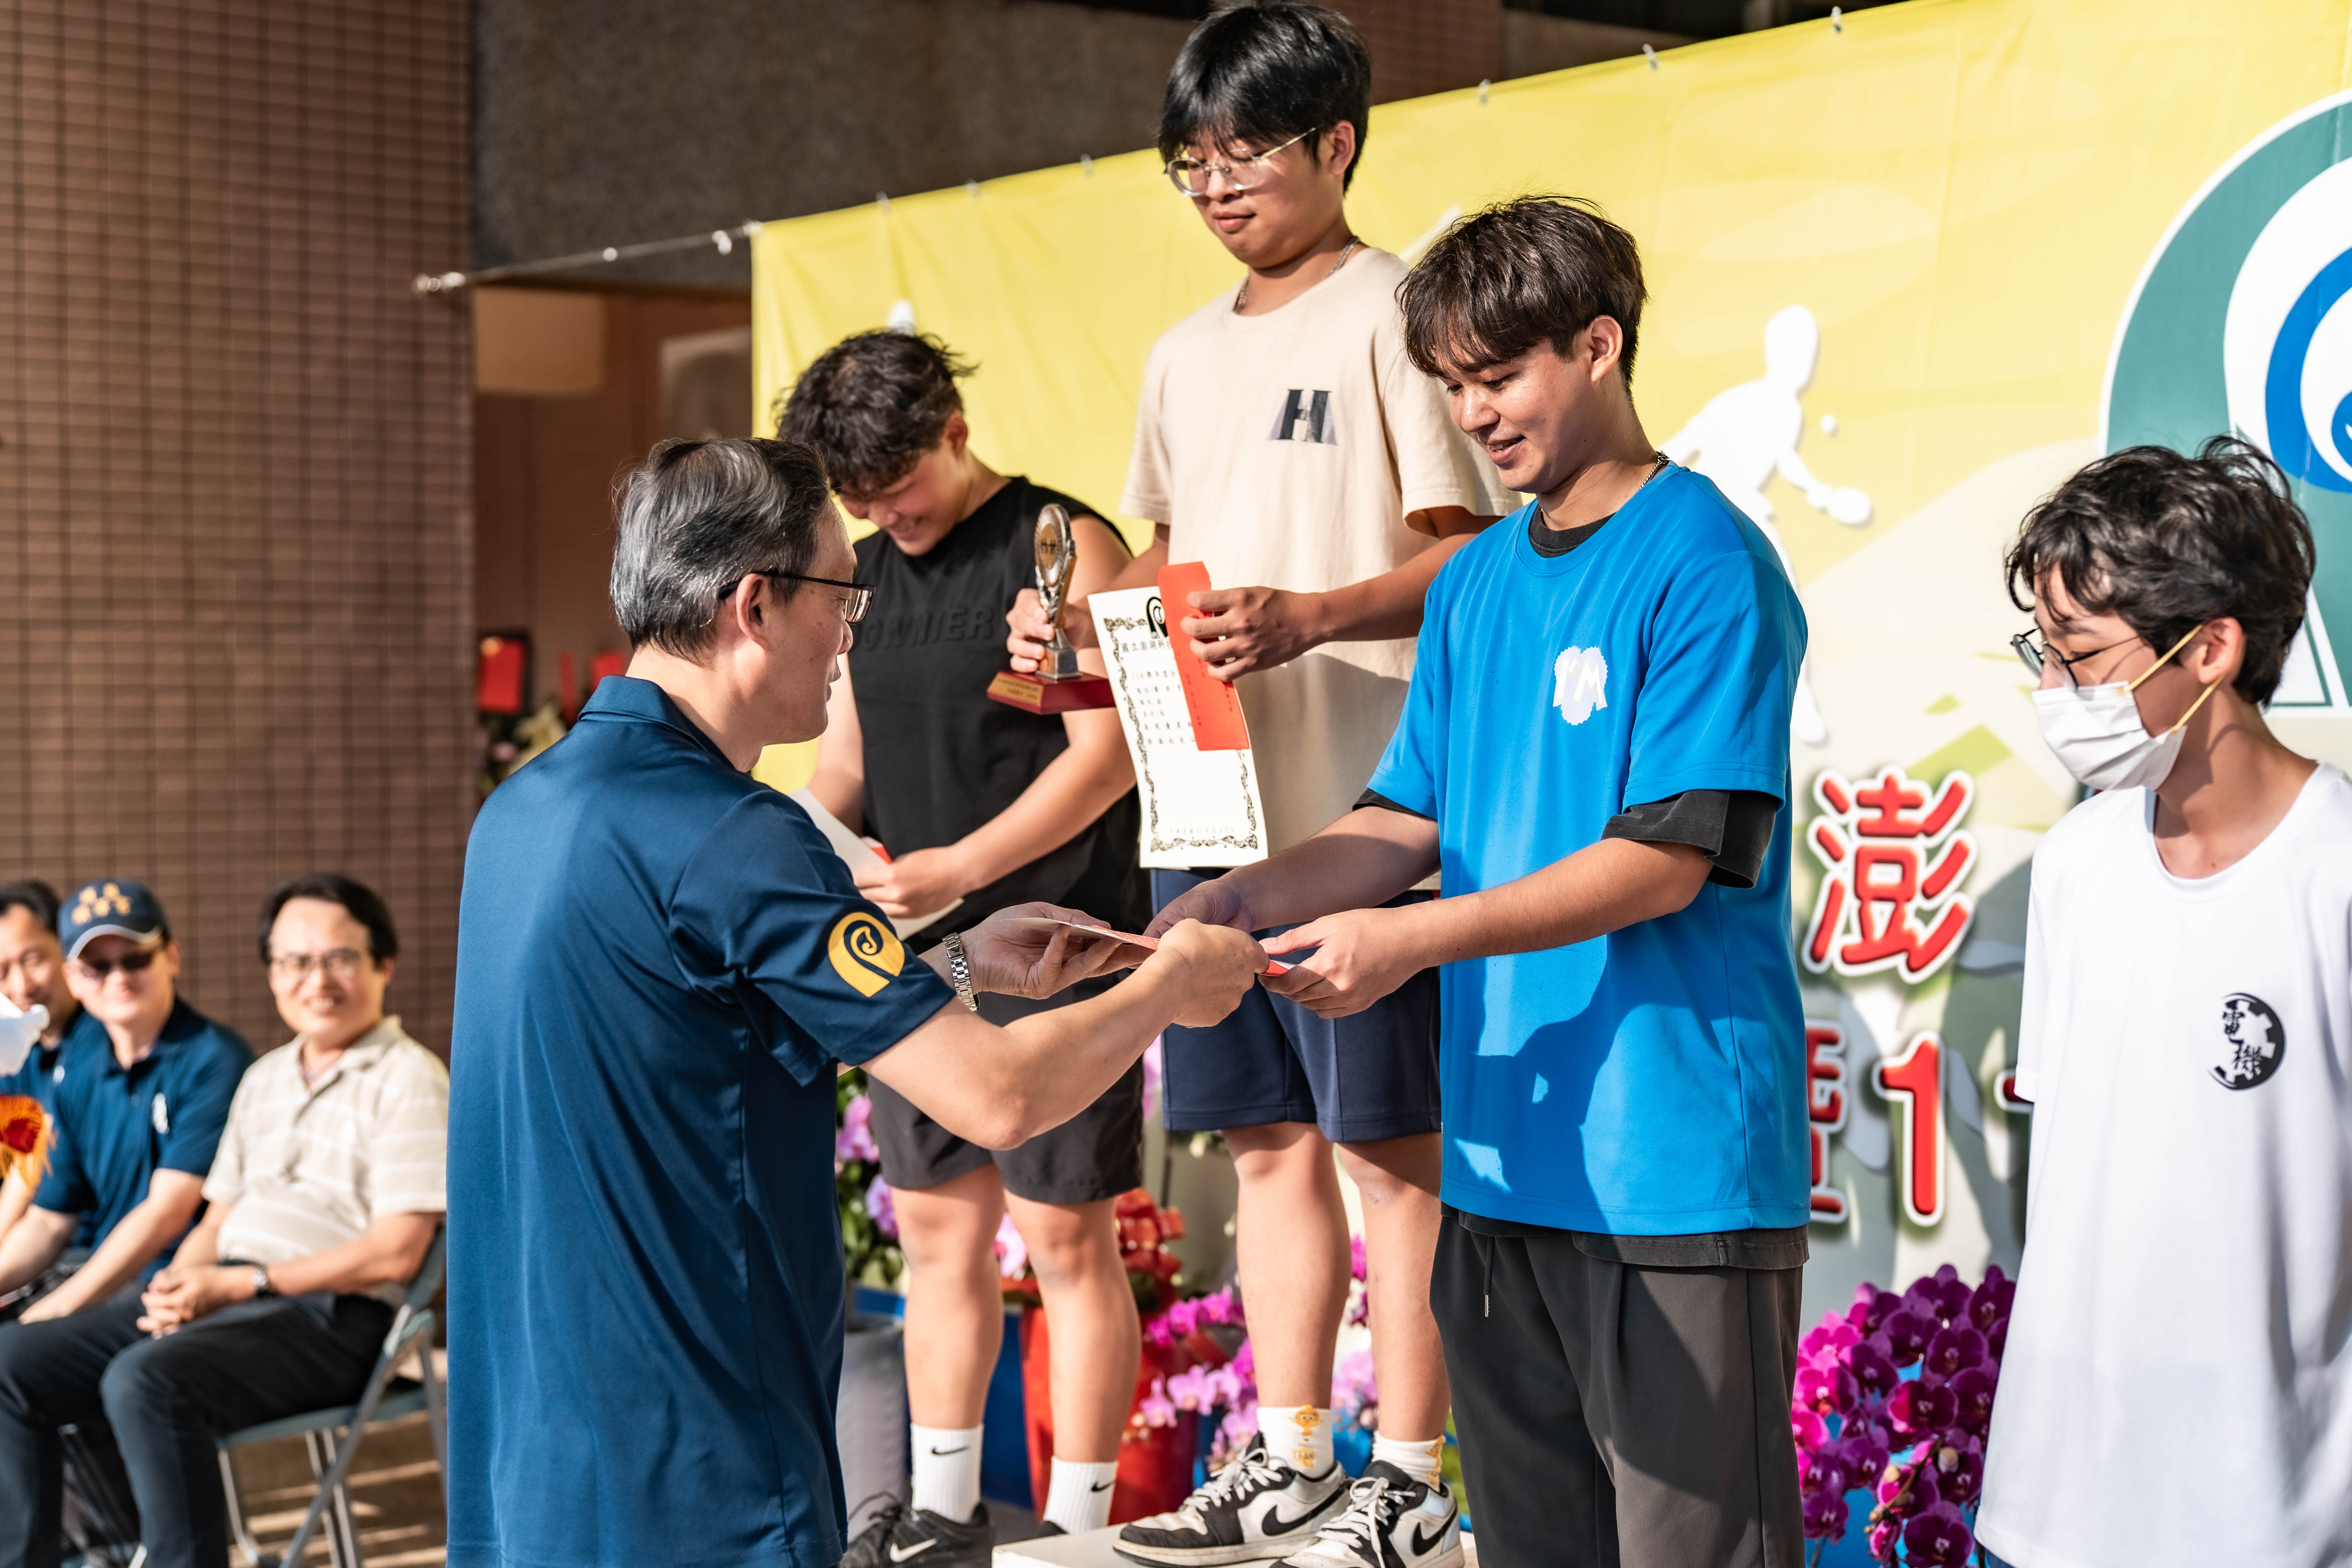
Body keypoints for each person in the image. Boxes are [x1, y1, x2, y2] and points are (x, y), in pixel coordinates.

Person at [445, 437, 1265, 1568]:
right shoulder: (737, 835)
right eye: (843, 594)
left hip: (533, 1467)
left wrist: (961, 964)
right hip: (704, 1468)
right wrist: (1171, 983)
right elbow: (999, 1095)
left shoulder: (520, 811)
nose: (852, 633)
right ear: (754, 605)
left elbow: (694, 1039)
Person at [1150, 196, 1812, 1568]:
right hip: (1499, 1158)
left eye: (1500, 375)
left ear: (1600, 345)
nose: (1475, 415)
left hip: (1669, 1172)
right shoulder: (1474, 582)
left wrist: (1406, 943)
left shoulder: (1704, 559)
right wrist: (1233, 901)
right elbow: (1402, 818)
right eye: (1454, 385)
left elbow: (1664, 860)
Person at [1002, 10, 1508, 1563]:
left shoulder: (1398, 312)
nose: (1217, 186)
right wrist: (1076, 626)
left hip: (1369, 812)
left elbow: (1471, 557)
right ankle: (1289, 1452)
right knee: (1264, 1141)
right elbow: (1166, 556)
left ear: (1336, 143)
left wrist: (1315, 615)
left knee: (1389, 1150)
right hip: (1209, 808)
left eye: (1246, 153)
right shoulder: (1179, 354)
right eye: (1192, 162)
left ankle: (1409, 1476)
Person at [782, 330, 1150, 1561]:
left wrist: (962, 867)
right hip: (920, 960)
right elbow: (845, 763)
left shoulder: (1060, 542)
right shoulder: (864, 577)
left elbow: (1109, 761)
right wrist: (787, 841)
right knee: (936, 1238)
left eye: (900, 488)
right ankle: (943, 1514)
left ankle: (1077, 1531)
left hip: (1057, 944)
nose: (887, 517)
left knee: (1064, 1236)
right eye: (862, 503)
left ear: (953, 427)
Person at [1976, 441, 2352, 1568]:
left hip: (2268, 1514)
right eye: (2043, 655)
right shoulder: (2076, 862)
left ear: (2212, 649)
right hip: (2050, 1502)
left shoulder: (2335, 869)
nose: (2055, 694)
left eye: (2082, 656)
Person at [0, 874, 444, 1568]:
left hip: (333, 1316)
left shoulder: (411, 1078)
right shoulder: (265, 1077)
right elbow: (215, 1220)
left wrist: (245, 1282)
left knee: (146, 1381)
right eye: (295, 961)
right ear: (271, 973)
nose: (316, 979)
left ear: (383, 964)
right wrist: (176, 1286)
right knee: (11, 1362)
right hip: (229, 1296)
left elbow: (396, 1253)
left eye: (339, 958)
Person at [0, 878, 253, 1568]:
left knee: (18, 1355)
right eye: (97, 964)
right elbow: (49, 1217)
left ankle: (104, 1548)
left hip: (181, 1285)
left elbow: (167, 1213)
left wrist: (59, 1307)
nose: (118, 977)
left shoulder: (214, 1059)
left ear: (172, 956)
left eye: (134, 957)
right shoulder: (80, 1066)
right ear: (77, 978)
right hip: (104, 1273)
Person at [0, 882, 94, 1270]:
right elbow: (18, 1169)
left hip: (83, 1247)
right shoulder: (19, 1051)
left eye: (33, 959)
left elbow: (29, 1175)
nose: (21, 986)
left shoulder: (103, 1040)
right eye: (2, 971)